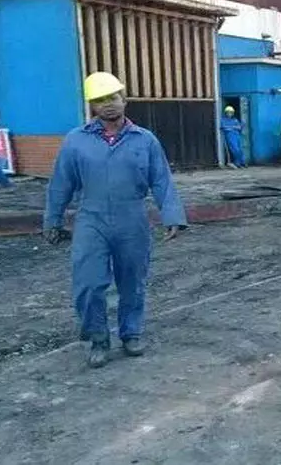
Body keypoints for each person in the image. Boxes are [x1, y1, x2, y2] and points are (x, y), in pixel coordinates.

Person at [43, 72, 186, 368]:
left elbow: (161, 180)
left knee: (132, 280)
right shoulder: (76, 141)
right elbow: (61, 184)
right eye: (99, 100)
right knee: (89, 283)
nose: (107, 105)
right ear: (92, 106)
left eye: (112, 98)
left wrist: (172, 215)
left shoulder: (144, 140)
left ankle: (131, 333)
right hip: (91, 219)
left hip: (132, 218)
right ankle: (97, 338)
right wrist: (52, 220)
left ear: (125, 99)